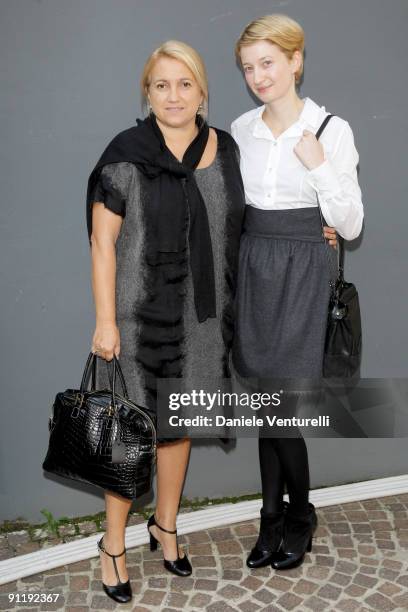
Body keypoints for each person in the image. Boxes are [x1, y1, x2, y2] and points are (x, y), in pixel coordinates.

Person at [86, 40, 245, 603]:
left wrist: (316, 226)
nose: (173, 95)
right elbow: (102, 244)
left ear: (202, 90)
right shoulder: (125, 154)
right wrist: (106, 321)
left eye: (184, 84)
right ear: (146, 92)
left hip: (202, 318)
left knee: (177, 428)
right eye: (161, 85)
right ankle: (111, 547)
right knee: (131, 436)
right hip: (138, 316)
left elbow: (245, 222)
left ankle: (166, 527)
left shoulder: (224, 149)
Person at [231, 14, 364, 570]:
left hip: (303, 272)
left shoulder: (331, 129)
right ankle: (271, 517)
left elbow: (351, 224)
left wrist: (321, 167)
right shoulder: (240, 129)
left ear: (295, 60)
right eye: (248, 67)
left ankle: (300, 516)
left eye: (268, 63)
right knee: (266, 405)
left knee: (282, 409)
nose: (259, 76)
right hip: (255, 266)